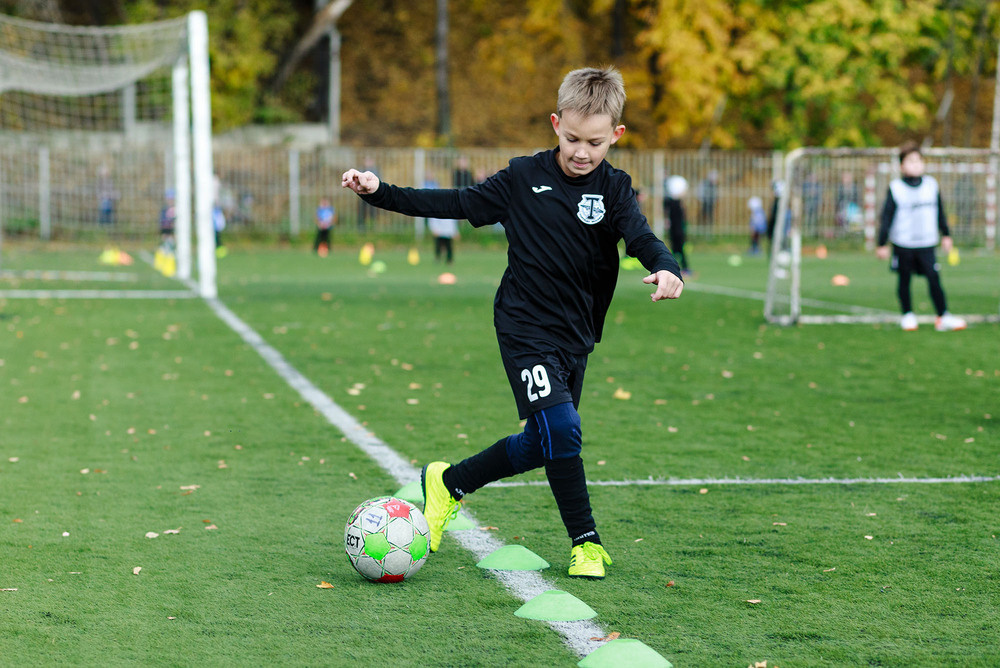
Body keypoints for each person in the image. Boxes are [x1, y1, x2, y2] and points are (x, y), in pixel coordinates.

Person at [341, 66, 683, 579]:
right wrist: (379, 191)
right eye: (571, 139)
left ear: (616, 135)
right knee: (563, 429)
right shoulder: (523, 177)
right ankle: (586, 542)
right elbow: (455, 203)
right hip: (524, 327)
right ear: (555, 124)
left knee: (546, 440)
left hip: (576, 337)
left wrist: (665, 266)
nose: (581, 152)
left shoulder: (615, 189)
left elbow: (640, 236)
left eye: (594, 142)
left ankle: (447, 483)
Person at [876, 141, 966, 332]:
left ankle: (943, 316)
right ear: (902, 166)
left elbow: (940, 211)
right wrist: (881, 243)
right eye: (910, 161)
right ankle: (907, 314)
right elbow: (886, 217)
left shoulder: (931, 185)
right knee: (904, 278)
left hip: (927, 242)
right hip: (903, 243)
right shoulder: (896, 188)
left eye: (918, 160)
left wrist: (946, 235)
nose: (915, 164)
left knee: (934, 277)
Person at [663, 175, 691, 275]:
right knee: (679, 251)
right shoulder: (675, 204)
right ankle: (685, 268)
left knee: (676, 251)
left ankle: (675, 268)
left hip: (675, 231)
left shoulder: (671, 203)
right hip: (678, 231)